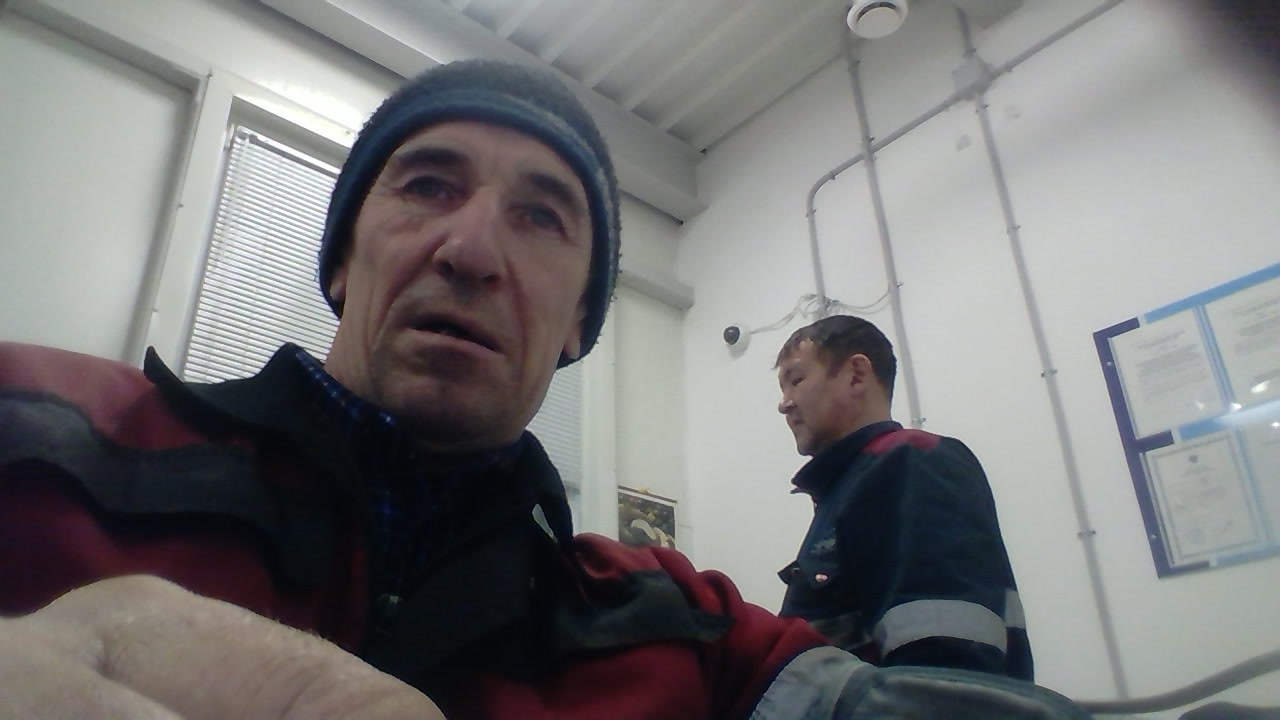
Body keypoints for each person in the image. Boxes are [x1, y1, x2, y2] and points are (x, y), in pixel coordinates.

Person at [0, 60, 1083, 718]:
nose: (471, 250)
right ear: (339, 263)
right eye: (428, 185)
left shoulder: (687, 635)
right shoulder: (39, 431)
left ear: (577, 325)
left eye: (541, 217)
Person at [774, 314, 1034, 681]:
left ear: (856, 375)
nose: (784, 404)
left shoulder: (912, 461)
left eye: (796, 380)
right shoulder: (849, 489)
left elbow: (944, 668)